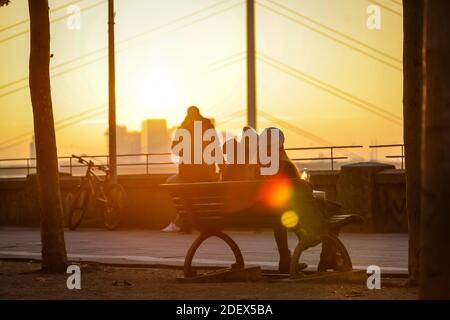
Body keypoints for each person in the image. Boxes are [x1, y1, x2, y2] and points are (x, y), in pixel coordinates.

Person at [162, 106, 219, 233]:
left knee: (170, 183)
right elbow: (215, 149)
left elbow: (175, 149)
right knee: (197, 196)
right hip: (208, 173)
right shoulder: (209, 126)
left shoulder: (184, 127)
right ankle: (183, 222)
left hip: (188, 175)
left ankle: (183, 223)